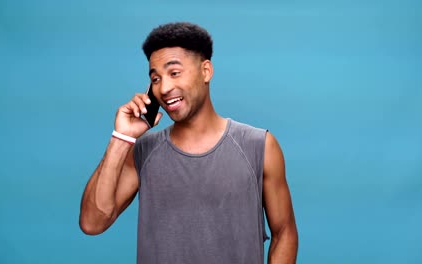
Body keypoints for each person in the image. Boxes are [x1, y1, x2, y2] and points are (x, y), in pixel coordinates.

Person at [79, 22, 298, 264]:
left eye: (174, 73)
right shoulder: (142, 151)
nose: (164, 87)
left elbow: (284, 233)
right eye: (155, 78)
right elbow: (92, 223)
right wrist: (122, 137)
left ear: (206, 71)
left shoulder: (259, 146)